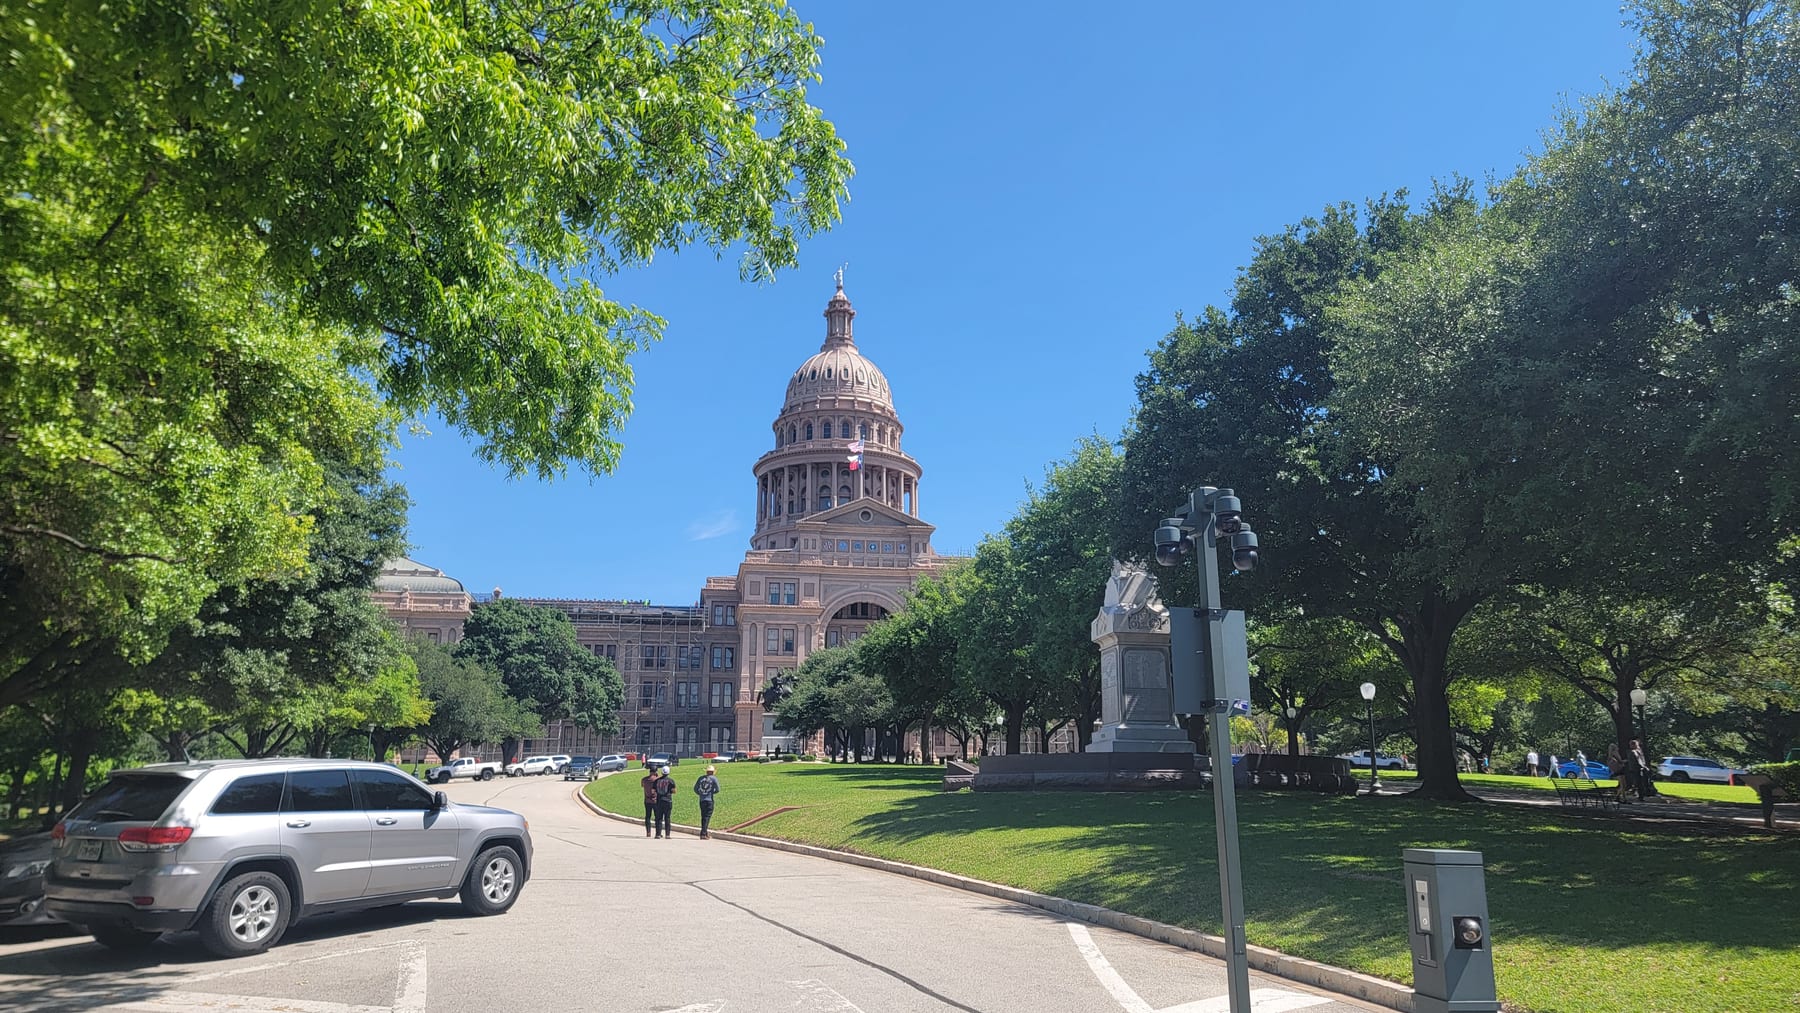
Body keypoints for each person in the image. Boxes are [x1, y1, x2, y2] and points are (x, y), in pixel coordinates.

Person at [694, 765, 721, 839]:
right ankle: (703, 834)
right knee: (707, 817)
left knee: (703, 817)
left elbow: (695, 789)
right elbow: (718, 789)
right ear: (713, 772)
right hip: (709, 800)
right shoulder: (714, 779)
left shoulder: (700, 778)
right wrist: (711, 792)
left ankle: (704, 833)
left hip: (702, 800)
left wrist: (701, 793)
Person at [652, 766, 676, 839]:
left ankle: (658, 834)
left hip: (659, 801)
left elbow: (653, 791)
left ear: (662, 772)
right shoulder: (671, 781)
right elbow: (674, 791)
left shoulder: (657, 781)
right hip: (668, 800)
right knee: (667, 818)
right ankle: (667, 834)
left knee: (658, 818)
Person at [640, 764, 660, 837]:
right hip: (656, 800)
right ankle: (658, 832)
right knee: (657, 817)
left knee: (648, 816)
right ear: (656, 771)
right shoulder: (658, 779)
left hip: (647, 800)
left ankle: (648, 832)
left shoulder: (644, 779)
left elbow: (642, 786)